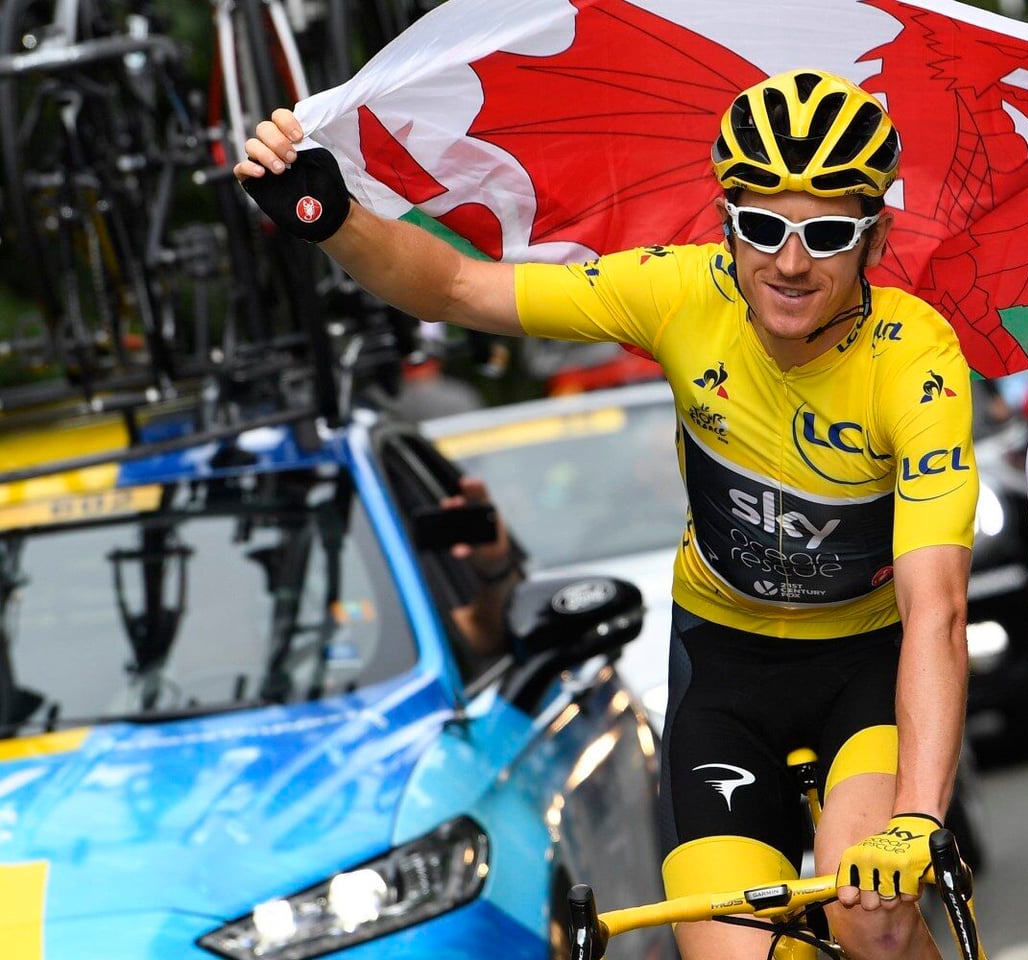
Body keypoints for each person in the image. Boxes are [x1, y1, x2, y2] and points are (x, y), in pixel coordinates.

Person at [233, 69, 977, 960]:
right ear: (726, 225)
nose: (789, 261)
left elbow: (938, 610)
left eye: (825, 233)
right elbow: (463, 289)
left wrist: (919, 822)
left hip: (866, 663)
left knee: (872, 912)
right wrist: (334, 219)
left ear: (877, 236)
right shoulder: (677, 291)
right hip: (727, 662)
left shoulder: (917, 359)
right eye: (762, 227)